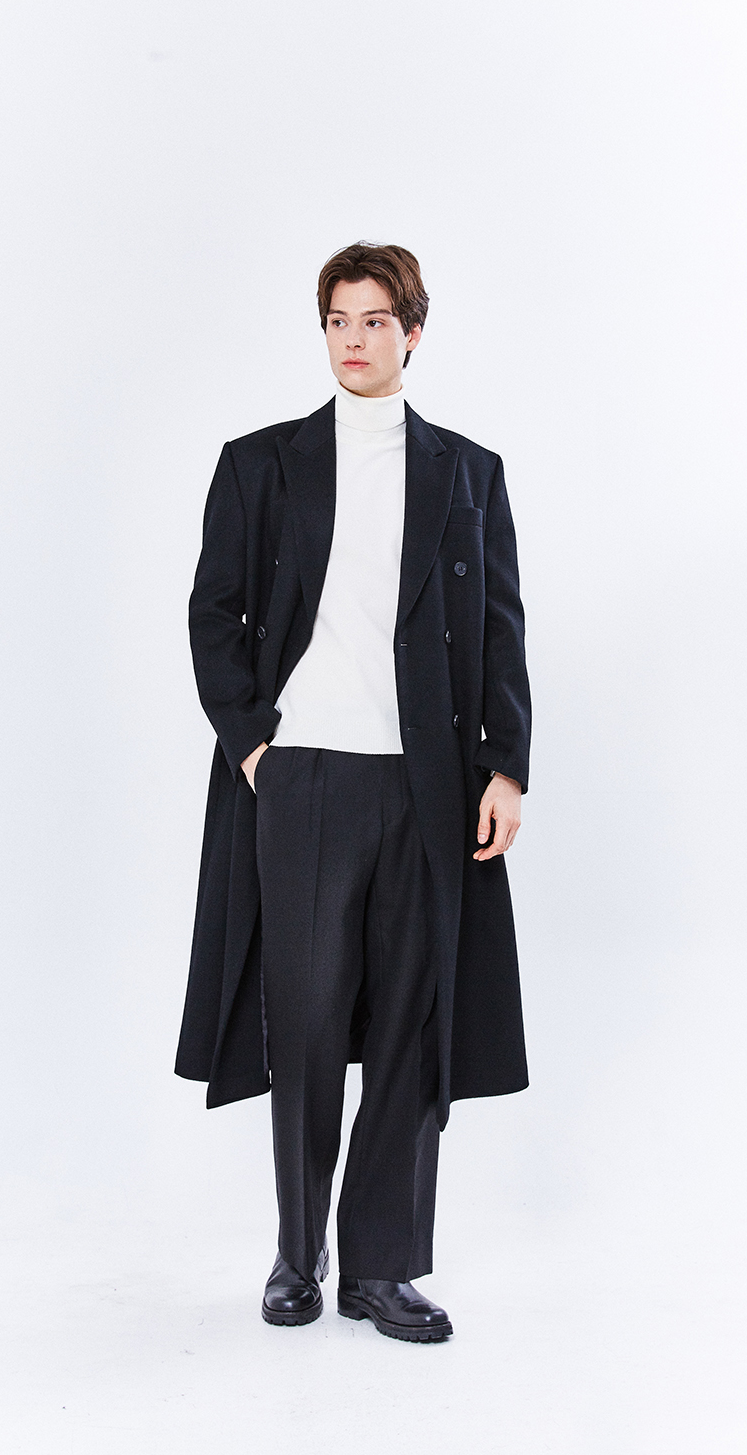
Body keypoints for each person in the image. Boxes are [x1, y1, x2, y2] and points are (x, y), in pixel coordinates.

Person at [175, 242, 531, 1343]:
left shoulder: (468, 473)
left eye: (376, 320)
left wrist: (506, 766)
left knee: (414, 1024)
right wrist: (254, 747)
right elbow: (213, 615)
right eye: (338, 320)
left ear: (412, 333)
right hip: (305, 779)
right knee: (307, 1019)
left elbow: (502, 632)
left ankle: (383, 1267)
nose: (354, 340)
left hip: (428, 786)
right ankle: (299, 1253)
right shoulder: (260, 464)